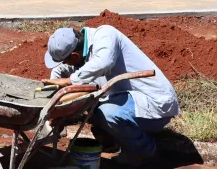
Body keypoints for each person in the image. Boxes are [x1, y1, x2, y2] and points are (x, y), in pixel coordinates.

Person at [43, 25, 180, 166]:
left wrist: (69, 81)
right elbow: (61, 70)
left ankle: (145, 153)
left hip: (155, 104)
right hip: (128, 100)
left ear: (74, 55)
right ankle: (117, 142)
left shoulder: (105, 34)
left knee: (109, 113)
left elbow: (103, 63)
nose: (65, 64)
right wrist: (55, 92)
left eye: (65, 60)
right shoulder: (81, 53)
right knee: (94, 110)